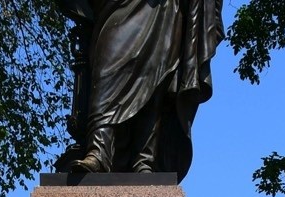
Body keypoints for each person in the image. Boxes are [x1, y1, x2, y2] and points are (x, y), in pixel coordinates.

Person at [55, 0, 222, 179]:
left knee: (155, 81)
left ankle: (144, 161)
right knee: (107, 72)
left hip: (163, 9)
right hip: (117, 6)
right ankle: (98, 151)